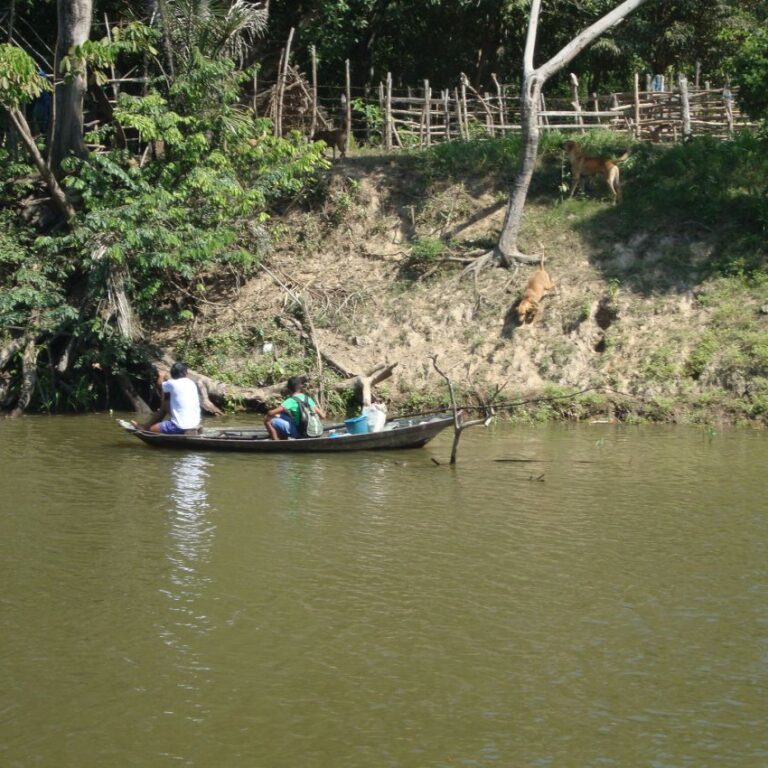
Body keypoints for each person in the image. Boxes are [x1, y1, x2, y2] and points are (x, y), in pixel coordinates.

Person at [135, 361, 201, 434]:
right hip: (195, 423)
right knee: (165, 405)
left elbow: (160, 384)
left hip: (180, 426)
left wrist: (161, 376)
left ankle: (146, 427)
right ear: (185, 373)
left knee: (151, 430)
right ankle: (146, 425)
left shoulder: (172, 383)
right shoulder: (191, 383)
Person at [264, 376, 325, 440]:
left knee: (269, 420)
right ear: (300, 387)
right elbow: (323, 416)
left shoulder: (291, 400)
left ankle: (277, 441)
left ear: (288, 388)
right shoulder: (308, 398)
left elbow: (271, 413)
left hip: (300, 432)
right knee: (283, 415)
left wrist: (269, 412)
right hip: (313, 431)